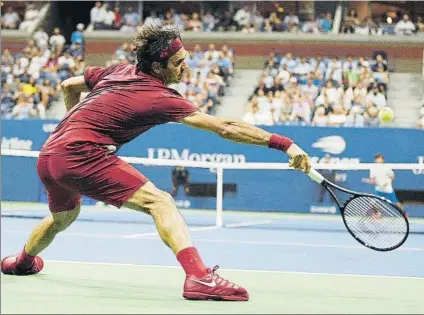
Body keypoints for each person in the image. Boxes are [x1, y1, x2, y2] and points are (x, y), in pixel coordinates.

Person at [1, 23, 311, 301]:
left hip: (49, 154)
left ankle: (21, 261)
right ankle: (199, 276)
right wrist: (285, 144)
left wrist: (71, 121)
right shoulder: (158, 96)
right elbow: (225, 127)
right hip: (82, 155)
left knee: (62, 218)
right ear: (156, 66)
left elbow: (68, 86)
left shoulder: (117, 71)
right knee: (161, 202)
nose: (185, 67)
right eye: (178, 63)